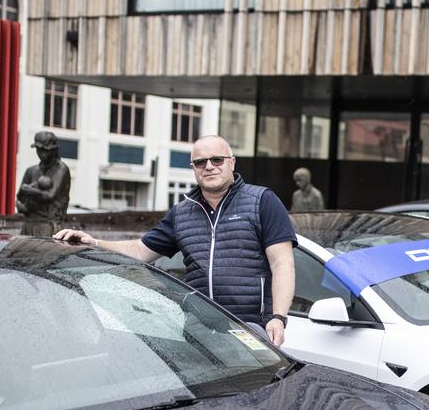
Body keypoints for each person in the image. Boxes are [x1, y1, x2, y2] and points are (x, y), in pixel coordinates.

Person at [54, 136, 295, 347]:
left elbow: (282, 264)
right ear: (193, 168)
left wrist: (278, 317)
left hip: (250, 327)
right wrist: (93, 242)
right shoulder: (181, 213)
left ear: (231, 162)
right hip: (199, 330)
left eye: (217, 160)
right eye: (200, 162)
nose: (209, 167)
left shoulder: (263, 201)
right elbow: (140, 250)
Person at [16, 130, 71, 236]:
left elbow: (50, 196)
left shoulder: (61, 169)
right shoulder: (31, 171)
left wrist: (29, 190)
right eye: (39, 150)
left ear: (53, 150)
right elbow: (19, 196)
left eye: (45, 150)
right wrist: (21, 206)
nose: (41, 154)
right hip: (29, 224)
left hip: (49, 225)